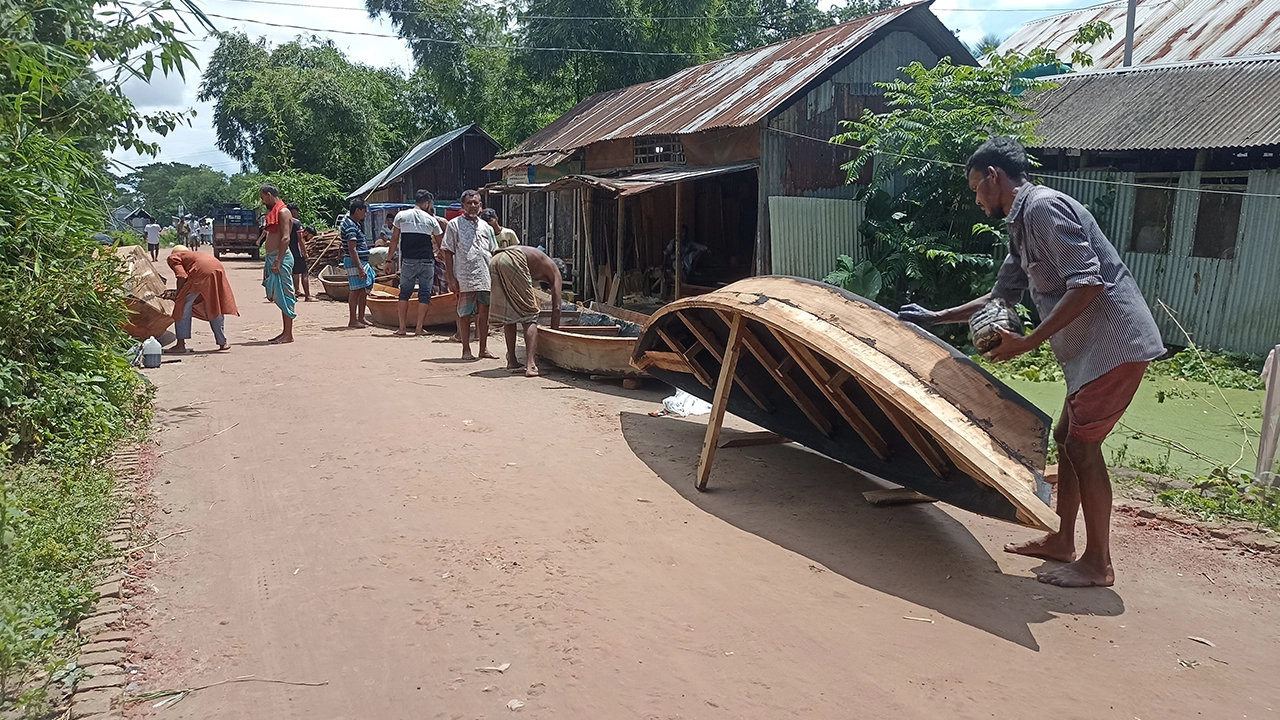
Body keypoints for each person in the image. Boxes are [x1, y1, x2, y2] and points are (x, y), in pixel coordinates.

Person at [898, 137, 1164, 588]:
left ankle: (1098, 564)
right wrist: (938, 317)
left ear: (992, 177)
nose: (977, 201)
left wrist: (1029, 342)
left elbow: (1088, 283)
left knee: (1083, 447)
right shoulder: (1020, 226)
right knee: (1066, 439)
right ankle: (1063, 541)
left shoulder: (1043, 209)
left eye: (975, 189)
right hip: (1087, 354)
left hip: (1115, 346)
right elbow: (1002, 295)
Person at [442, 189, 498, 361]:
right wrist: (451, 278)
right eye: (469, 203)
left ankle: (483, 349)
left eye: (476, 203)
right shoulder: (454, 225)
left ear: (481, 206)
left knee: (484, 314)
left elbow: (493, 252)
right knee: (465, 314)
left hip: (485, 277)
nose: (473, 206)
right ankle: (466, 349)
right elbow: (447, 251)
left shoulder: (486, 227)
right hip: (464, 277)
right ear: (463, 206)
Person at [490, 245, 561, 377]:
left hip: (496, 258)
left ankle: (512, 360)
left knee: (509, 313)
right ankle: (531, 366)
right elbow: (557, 308)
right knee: (530, 314)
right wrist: (555, 334)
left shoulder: (538, 261)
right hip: (513, 259)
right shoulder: (555, 271)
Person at [385, 189, 444, 336]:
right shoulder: (431, 220)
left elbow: (394, 240)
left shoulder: (401, 216)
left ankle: (402, 328)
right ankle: (419, 328)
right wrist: (442, 257)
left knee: (404, 293)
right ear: (426, 203)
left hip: (408, 261)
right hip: (427, 261)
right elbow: (441, 244)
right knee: (424, 294)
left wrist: (389, 259)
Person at [166, 245, 238, 353]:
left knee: (182, 305)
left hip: (201, 273)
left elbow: (182, 276)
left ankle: (180, 345)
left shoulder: (173, 257)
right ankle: (223, 342)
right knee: (215, 305)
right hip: (217, 269)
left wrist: (179, 295)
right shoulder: (194, 255)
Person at [259, 184, 297, 344]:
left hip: (280, 259)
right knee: (278, 295)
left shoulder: (283, 212)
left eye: (262, 198)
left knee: (286, 295)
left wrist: (278, 260)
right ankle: (284, 332)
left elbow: (286, 238)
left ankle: (288, 334)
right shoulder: (276, 212)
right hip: (274, 258)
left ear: (269, 195)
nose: (262, 202)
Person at [341, 198, 376, 328]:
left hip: (360, 260)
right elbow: (352, 248)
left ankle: (361, 317)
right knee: (355, 290)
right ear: (357, 210)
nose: (365, 215)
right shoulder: (350, 225)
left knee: (363, 290)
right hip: (355, 261)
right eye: (364, 212)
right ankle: (353, 319)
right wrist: (360, 267)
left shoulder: (353, 223)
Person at [287, 203, 313, 303]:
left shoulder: (284, 221)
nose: (297, 213)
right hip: (297, 252)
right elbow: (300, 239)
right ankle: (308, 296)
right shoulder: (296, 222)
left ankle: (296, 292)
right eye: (296, 211)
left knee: (294, 273)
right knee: (304, 273)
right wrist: (305, 252)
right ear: (293, 211)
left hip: (288, 251)